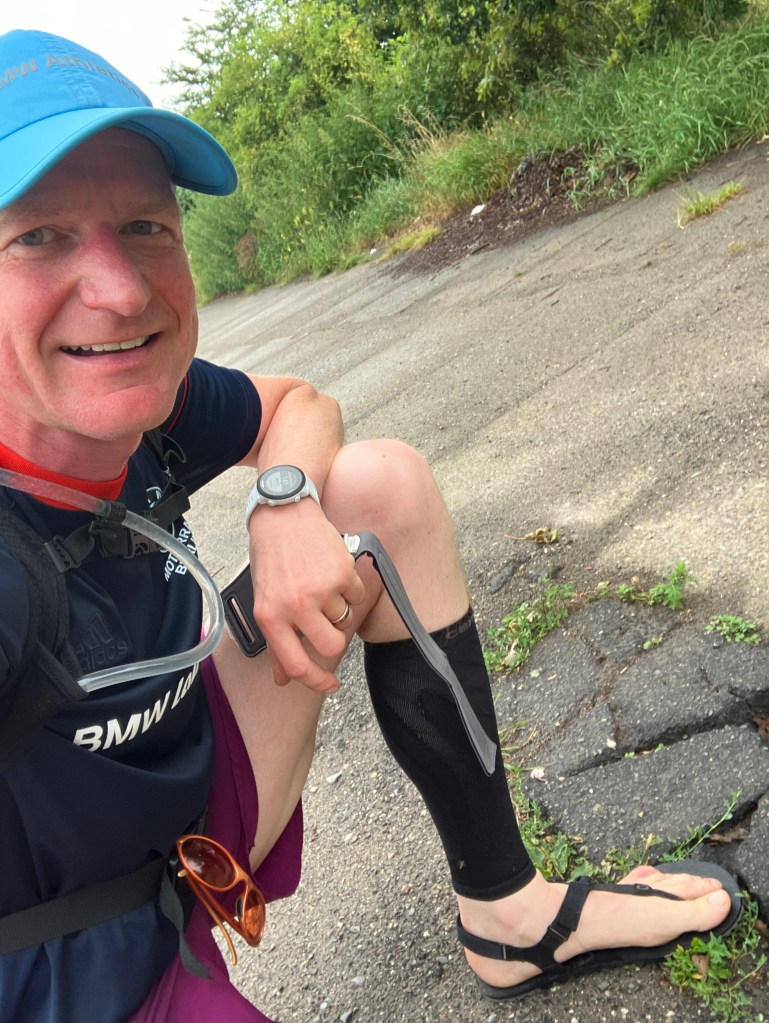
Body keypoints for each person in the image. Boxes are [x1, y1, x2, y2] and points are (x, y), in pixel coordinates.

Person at [0, 27, 742, 1023]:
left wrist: (285, 500)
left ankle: (507, 911)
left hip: (189, 800)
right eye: (38, 236)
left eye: (144, 225)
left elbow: (294, 402)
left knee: (378, 490)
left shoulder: (140, 392)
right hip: (73, 965)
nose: (123, 291)